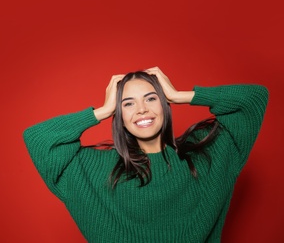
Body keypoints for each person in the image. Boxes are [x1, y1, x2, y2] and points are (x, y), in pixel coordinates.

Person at [23, 67, 269, 242]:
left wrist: (179, 95)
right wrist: (102, 110)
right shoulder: (97, 169)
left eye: (152, 99)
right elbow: (38, 138)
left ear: (164, 105)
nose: (141, 109)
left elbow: (253, 100)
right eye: (128, 103)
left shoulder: (204, 157)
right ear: (118, 116)